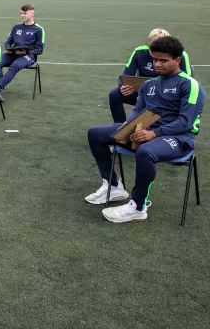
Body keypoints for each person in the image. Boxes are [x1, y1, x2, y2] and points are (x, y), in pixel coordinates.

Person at [85, 36, 205, 223]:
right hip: (146, 131)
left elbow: (186, 122)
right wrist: (129, 128)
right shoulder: (149, 85)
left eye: (163, 60)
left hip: (179, 138)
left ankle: (138, 207)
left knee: (146, 150)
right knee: (95, 134)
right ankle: (114, 186)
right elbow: (137, 112)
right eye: (155, 59)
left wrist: (154, 133)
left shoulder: (190, 85)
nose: (157, 64)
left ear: (177, 60)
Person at [109, 28, 192, 123]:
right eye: (152, 51)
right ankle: (119, 127)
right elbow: (126, 76)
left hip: (168, 96)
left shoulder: (180, 55)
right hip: (144, 93)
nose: (155, 58)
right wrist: (123, 86)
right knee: (115, 94)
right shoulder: (139, 52)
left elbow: (188, 82)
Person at [0, 4, 44, 92]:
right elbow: (8, 42)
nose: (22, 15)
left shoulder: (38, 30)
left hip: (28, 56)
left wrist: (27, 52)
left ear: (32, 13)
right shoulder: (16, 27)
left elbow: (40, 49)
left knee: (15, 66)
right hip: (13, 53)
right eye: (21, 13)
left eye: (25, 13)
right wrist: (8, 49)